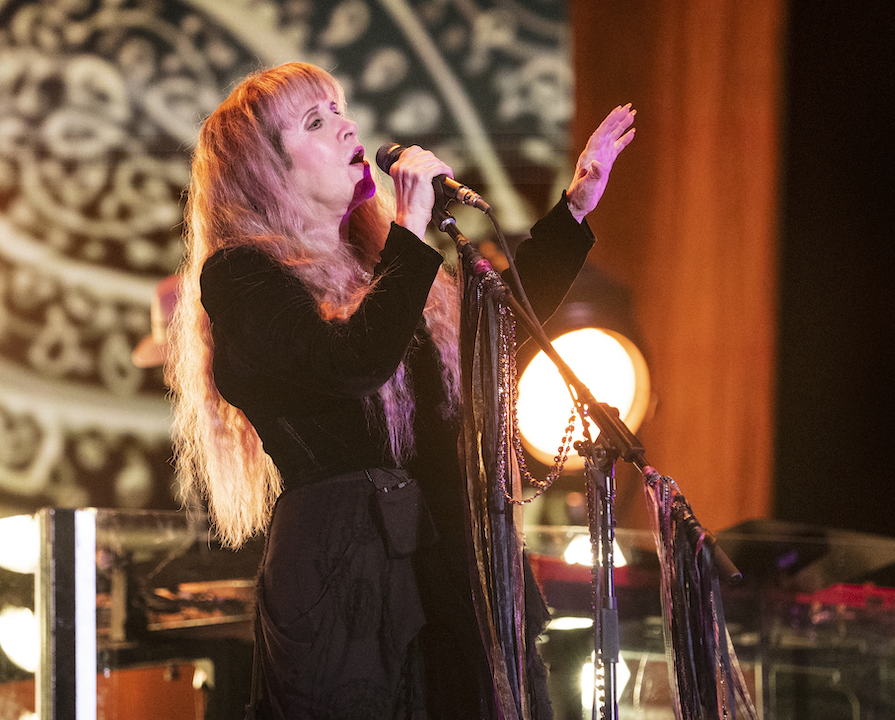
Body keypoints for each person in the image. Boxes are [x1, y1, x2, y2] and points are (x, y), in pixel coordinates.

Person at [167, 62, 634, 720]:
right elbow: (350, 363)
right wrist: (409, 229)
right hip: (349, 573)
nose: (347, 127)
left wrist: (575, 208)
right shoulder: (242, 277)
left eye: (340, 109)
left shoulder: (383, 265)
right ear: (265, 170)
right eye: (315, 121)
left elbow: (490, 335)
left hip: (450, 559)